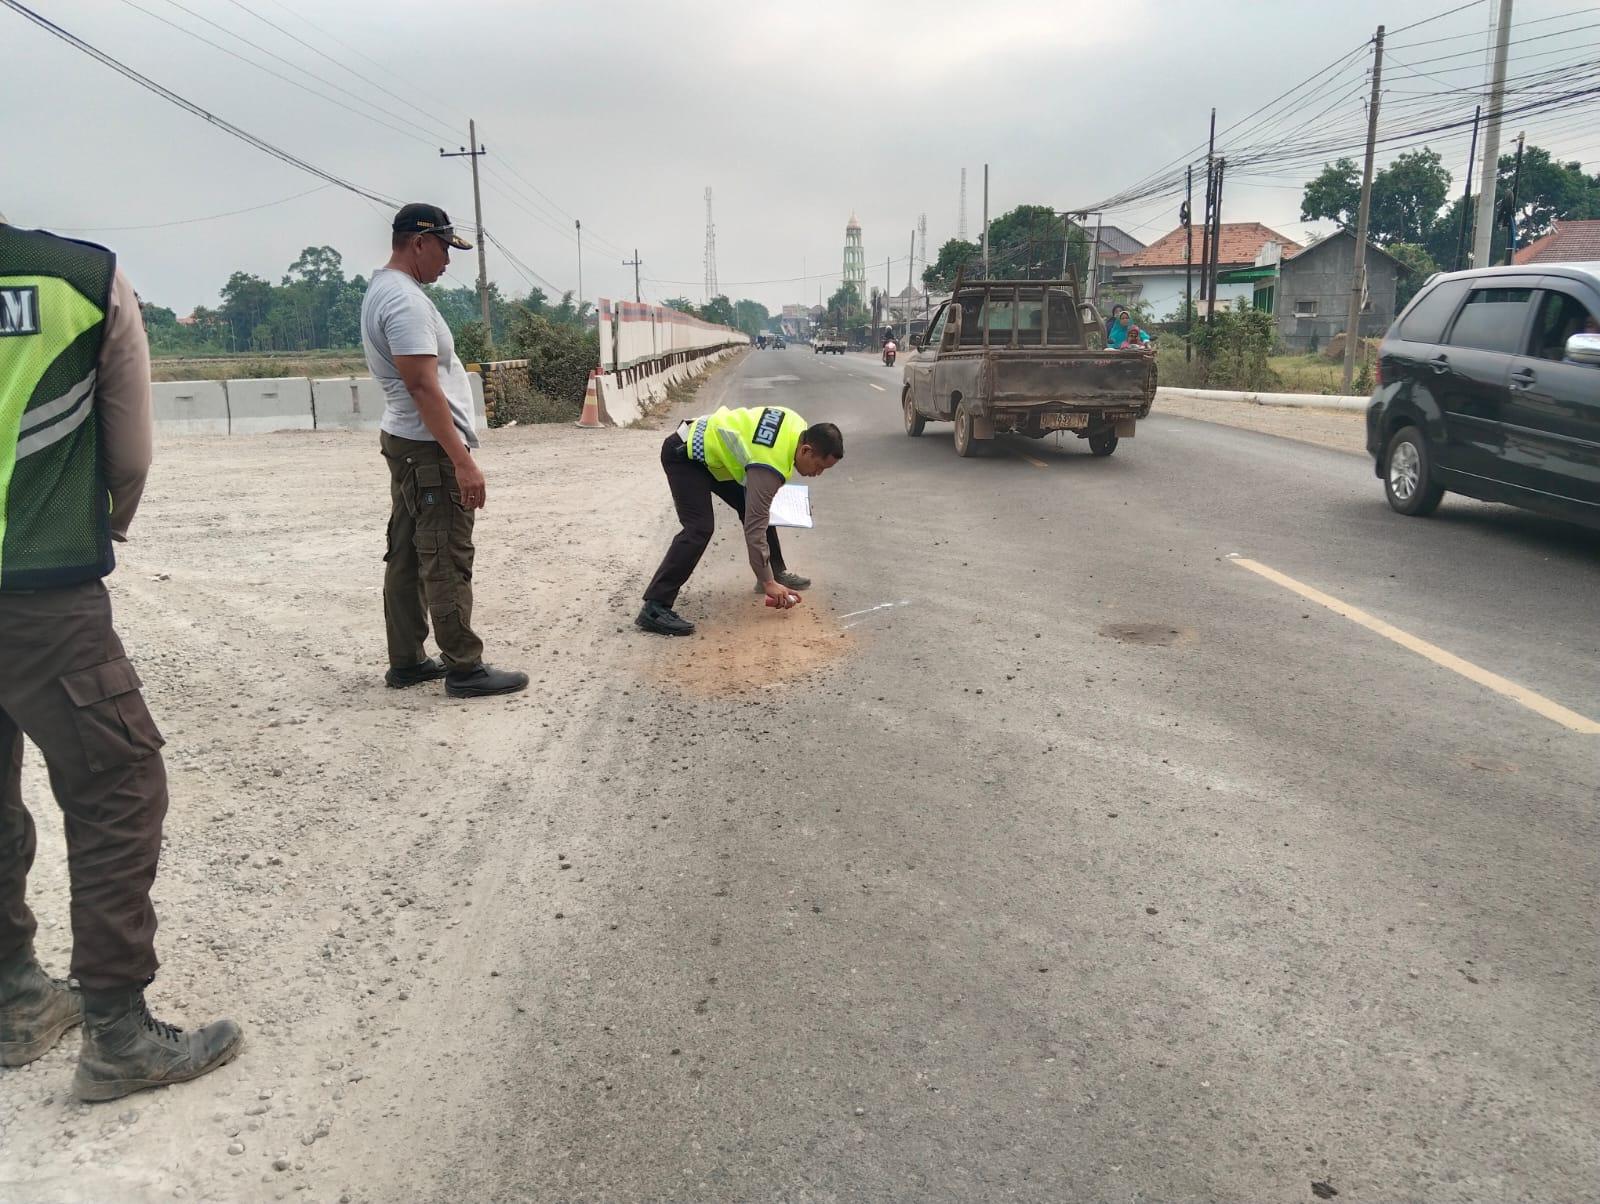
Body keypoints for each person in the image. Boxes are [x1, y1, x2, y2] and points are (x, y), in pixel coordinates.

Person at [0, 214, 241, 1100]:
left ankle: (14, 997)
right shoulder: (76, 276)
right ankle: (116, 1033)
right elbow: (129, 449)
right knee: (117, 781)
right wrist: (102, 525)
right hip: (38, 587)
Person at [362, 203, 528, 699]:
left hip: (409, 441)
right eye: (443, 249)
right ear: (418, 242)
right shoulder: (405, 301)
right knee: (445, 553)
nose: (447, 261)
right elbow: (422, 385)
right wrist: (462, 460)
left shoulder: (384, 289)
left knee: (408, 551)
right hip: (429, 448)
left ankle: (408, 660)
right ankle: (464, 667)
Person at [637, 406, 843, 636]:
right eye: (819, 466)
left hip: (712, 456)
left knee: (756, 507)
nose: (818, 473)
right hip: (684, 456)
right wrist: (768, 584)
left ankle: (773, 572)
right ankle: (655, 607)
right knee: (699, 528)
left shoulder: (797, 423)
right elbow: (755, 528)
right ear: (806, 450)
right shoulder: (770, 464)